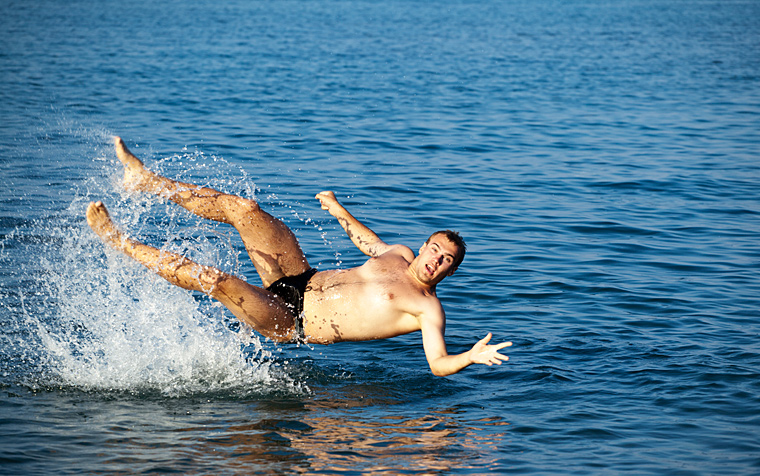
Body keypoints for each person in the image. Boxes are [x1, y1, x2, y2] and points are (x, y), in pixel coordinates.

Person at [86, 137, 511, 376]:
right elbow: (370, 245)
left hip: (290, 321)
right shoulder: (398, 255)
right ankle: (144, 180)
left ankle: (119, 243)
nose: (436, 260)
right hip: (299, 277)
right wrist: (339, 210)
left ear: (450, 272)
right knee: (244, 210)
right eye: (435, 249)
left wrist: (469, 356)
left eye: (446, 261)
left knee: (215, 281)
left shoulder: (426, 309)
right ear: (423, 247)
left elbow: (436, 364)